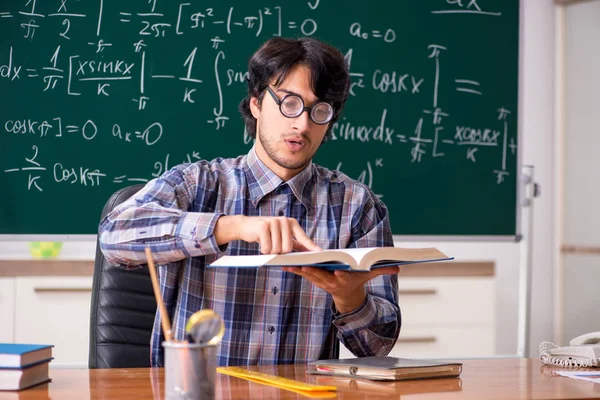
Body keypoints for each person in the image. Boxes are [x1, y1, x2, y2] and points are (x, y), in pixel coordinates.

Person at [99, 37, 401, 367]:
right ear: (256, 103)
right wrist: (232, 226)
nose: (301, 124)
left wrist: (349, 297)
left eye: (320, 111)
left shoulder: (358, 207)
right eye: (289, 103)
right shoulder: (198, 184)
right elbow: (114, 233)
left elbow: (377, 349)